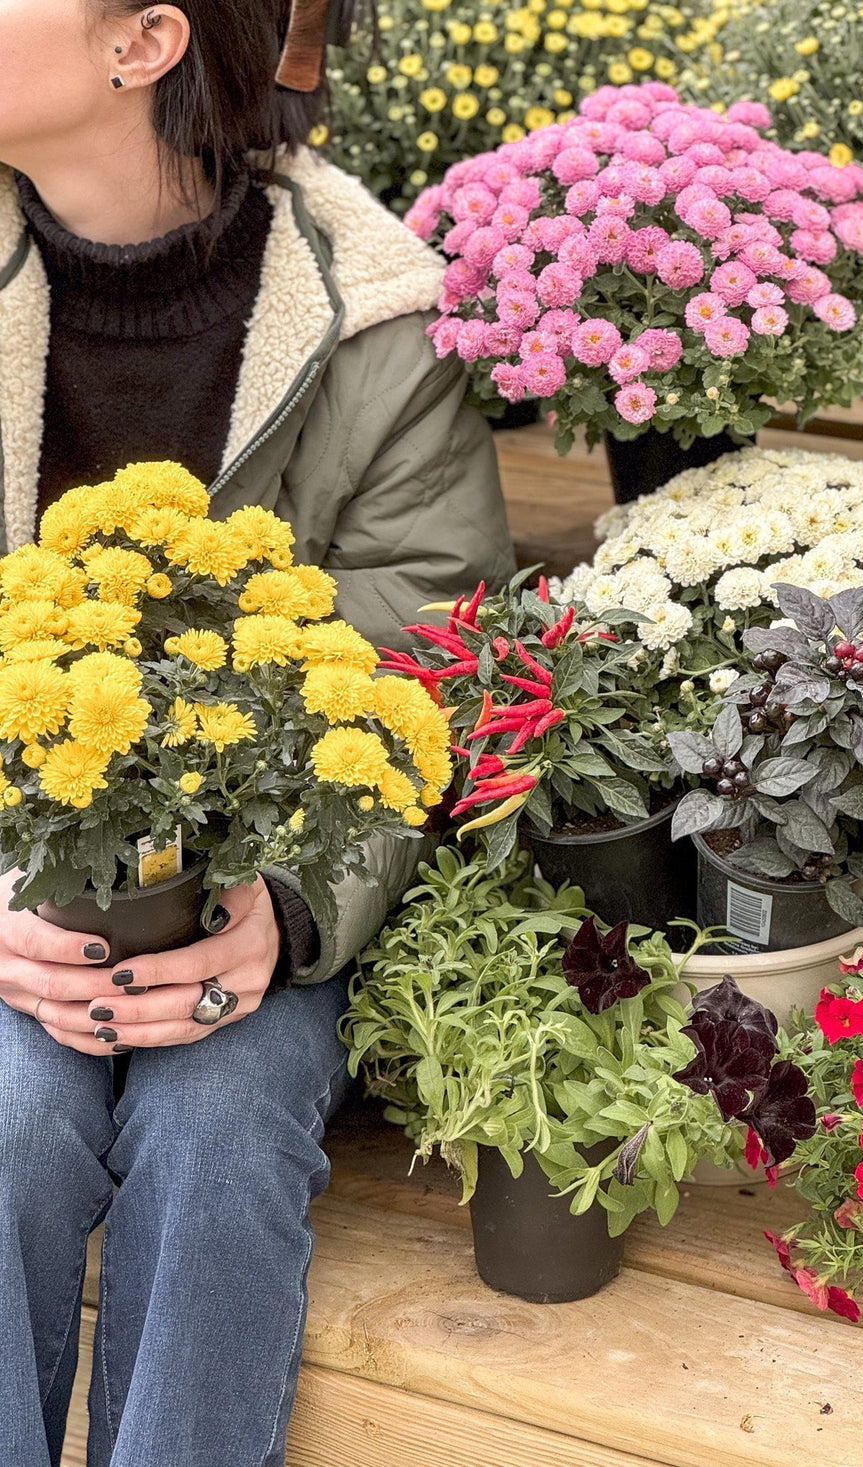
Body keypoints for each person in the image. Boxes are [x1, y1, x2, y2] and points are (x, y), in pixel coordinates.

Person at [0, 2, 514, 1463]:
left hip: (264, 891)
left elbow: (428, 677)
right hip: (12, 892)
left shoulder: (373, 325)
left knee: (223, 1119)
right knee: (8, 1115)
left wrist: (284, 913)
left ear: (144, 42)